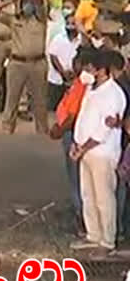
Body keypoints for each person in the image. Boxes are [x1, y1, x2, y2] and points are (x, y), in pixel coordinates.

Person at [70, 50, 127, 255]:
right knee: (88, 196)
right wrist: (76, 144)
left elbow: (104, 129)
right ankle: (93, 235)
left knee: (104, 197)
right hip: (85, 151)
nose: (86, 71)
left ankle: (107, 240)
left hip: (102, 153)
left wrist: (83, 148)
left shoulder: (114, 94)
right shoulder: (90, 89)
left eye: (90, 68)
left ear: (102, 70)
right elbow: (83, 118)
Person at [0, 0, 49, 134]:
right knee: (12, 100)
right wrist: (11, 0)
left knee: (40, 102)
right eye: (26, 2)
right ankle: (7, 130)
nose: (29, 5)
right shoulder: (14, 20)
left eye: (31, 2)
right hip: (17, 64)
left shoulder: (41, 19)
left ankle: (42, 132)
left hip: (38, 63)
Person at [50, 53, 89, 233]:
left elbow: (73, 115)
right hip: (69, 132)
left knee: (76, 178)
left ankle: (81, 217)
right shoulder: (78, 83)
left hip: (71, 134)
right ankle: (80, 213)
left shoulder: (82, 85)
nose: (73, 65)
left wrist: (60, 129)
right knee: (75, 177)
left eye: (76, 61)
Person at [47, 14, 81, 110]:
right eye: (68, 23)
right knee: (52, 108)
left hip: (74, 80)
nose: (70, 26)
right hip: (56, 79)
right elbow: (53, 56)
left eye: (73, 23)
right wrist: (62, 72)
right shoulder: (58, 38)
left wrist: (73, 73)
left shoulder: (81, 41)